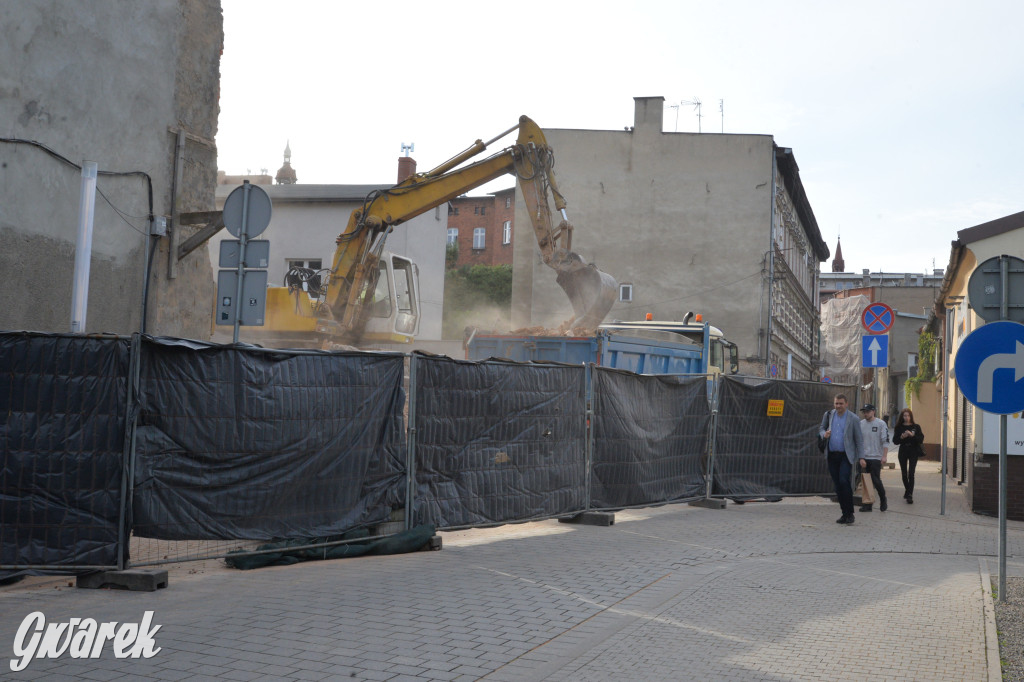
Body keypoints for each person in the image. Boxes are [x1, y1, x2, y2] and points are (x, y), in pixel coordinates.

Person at [820, 394, 863, 525]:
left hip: (846, 455)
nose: (838, 406)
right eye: (836, 403)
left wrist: (861, 457)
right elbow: (821, 428)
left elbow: (859, 440)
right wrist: (824, 434)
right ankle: (844, 513)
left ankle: (850, 513)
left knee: (844, 481)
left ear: (847, 404)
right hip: (832, 455)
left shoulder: (853, 419)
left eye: (841, 403)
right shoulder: (828, 415)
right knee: (838, 485)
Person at [857, 404, 889, 512]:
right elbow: (859, 441)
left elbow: (885, 441)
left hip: (876, 457)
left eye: (868, 411)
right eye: (864, 412)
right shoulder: (861, 424)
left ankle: (883, 499)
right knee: (866, 481)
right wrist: (861, 457)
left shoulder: (880, 424)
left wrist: (884, 456)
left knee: (875, 480)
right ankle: (868, 504)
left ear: (873, 411)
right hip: (864, 457)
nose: (865, 414)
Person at [893, 408, 925, 504]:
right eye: (904, 416)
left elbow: (921, 439)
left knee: (911, 473)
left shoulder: (916, 427)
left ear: (911, 416)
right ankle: (907, 490)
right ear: (902, 417)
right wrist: (901, 437)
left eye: (908, 415)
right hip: (903, 451)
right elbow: (895, 441)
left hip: (913, 451)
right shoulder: (899, 427)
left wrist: (912, 435)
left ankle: (909, 494)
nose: (906, 417)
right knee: (904, 474)